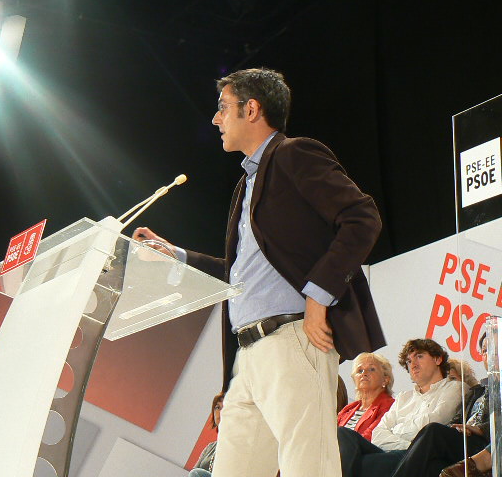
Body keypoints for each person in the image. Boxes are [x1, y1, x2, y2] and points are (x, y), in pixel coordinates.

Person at [133, 67, 384, 477]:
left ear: (251, 110)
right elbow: (241, 274)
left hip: (292, 340)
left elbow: (362, 218)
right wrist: (175, 256)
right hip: (247, 356)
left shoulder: (295, 154)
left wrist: (318, 297)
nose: (215, 119)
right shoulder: (246, 185)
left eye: (223, 108)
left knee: (309, 469)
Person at [337, 338, 462, 476]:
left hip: (419, 458)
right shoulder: (403, 397)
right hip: (391, 452)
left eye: (419, 356)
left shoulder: (455, 388)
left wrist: (397, 431)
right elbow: (378, 434)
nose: (413, 365)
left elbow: (431, 425)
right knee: (342, 433)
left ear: (438, 359)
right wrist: (411, 445)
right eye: (409, 361)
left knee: (361, 463)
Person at [390, 334, 490, 477]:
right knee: (434, 467)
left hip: (486, 444)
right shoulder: (477, 391)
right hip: (463, 441)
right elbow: (457, 418)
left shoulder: (458, 388)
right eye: (485, 350)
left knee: (433, 431)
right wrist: (456, 427)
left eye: (494, 348)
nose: (490, 354)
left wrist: (480, 429)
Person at [337, 353, 394, 442]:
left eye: (371, 369)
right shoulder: (348, 409)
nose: (364, 373)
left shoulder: (390, 406)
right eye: (360, 370)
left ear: (385, 379)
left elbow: (372, 436)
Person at [189, 392, 224, 477]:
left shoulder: (241, 445)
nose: (220, 412)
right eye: (217, 407)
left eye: (225, 407)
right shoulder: (210, 447)